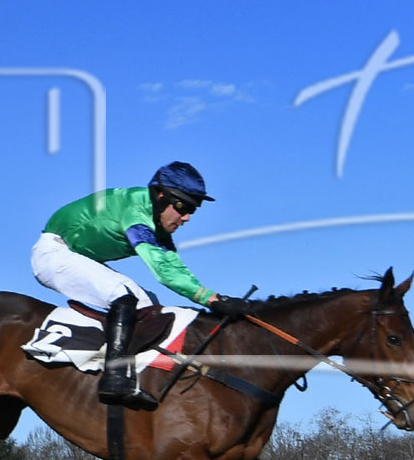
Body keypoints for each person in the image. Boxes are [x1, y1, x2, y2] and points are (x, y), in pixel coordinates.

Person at [30, 161, 254, 410]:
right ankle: (114, 378)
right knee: (123, 294)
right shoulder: (136, 213)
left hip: (78, 256)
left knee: (149, 306)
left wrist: (215, 298)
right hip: (53, 254)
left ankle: (137, 375)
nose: (187, 217)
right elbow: (164, 272)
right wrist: (213, 300)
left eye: (193, 209)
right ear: (160, 196)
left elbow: (175, 268)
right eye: (183, 207)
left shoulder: (158, 225)